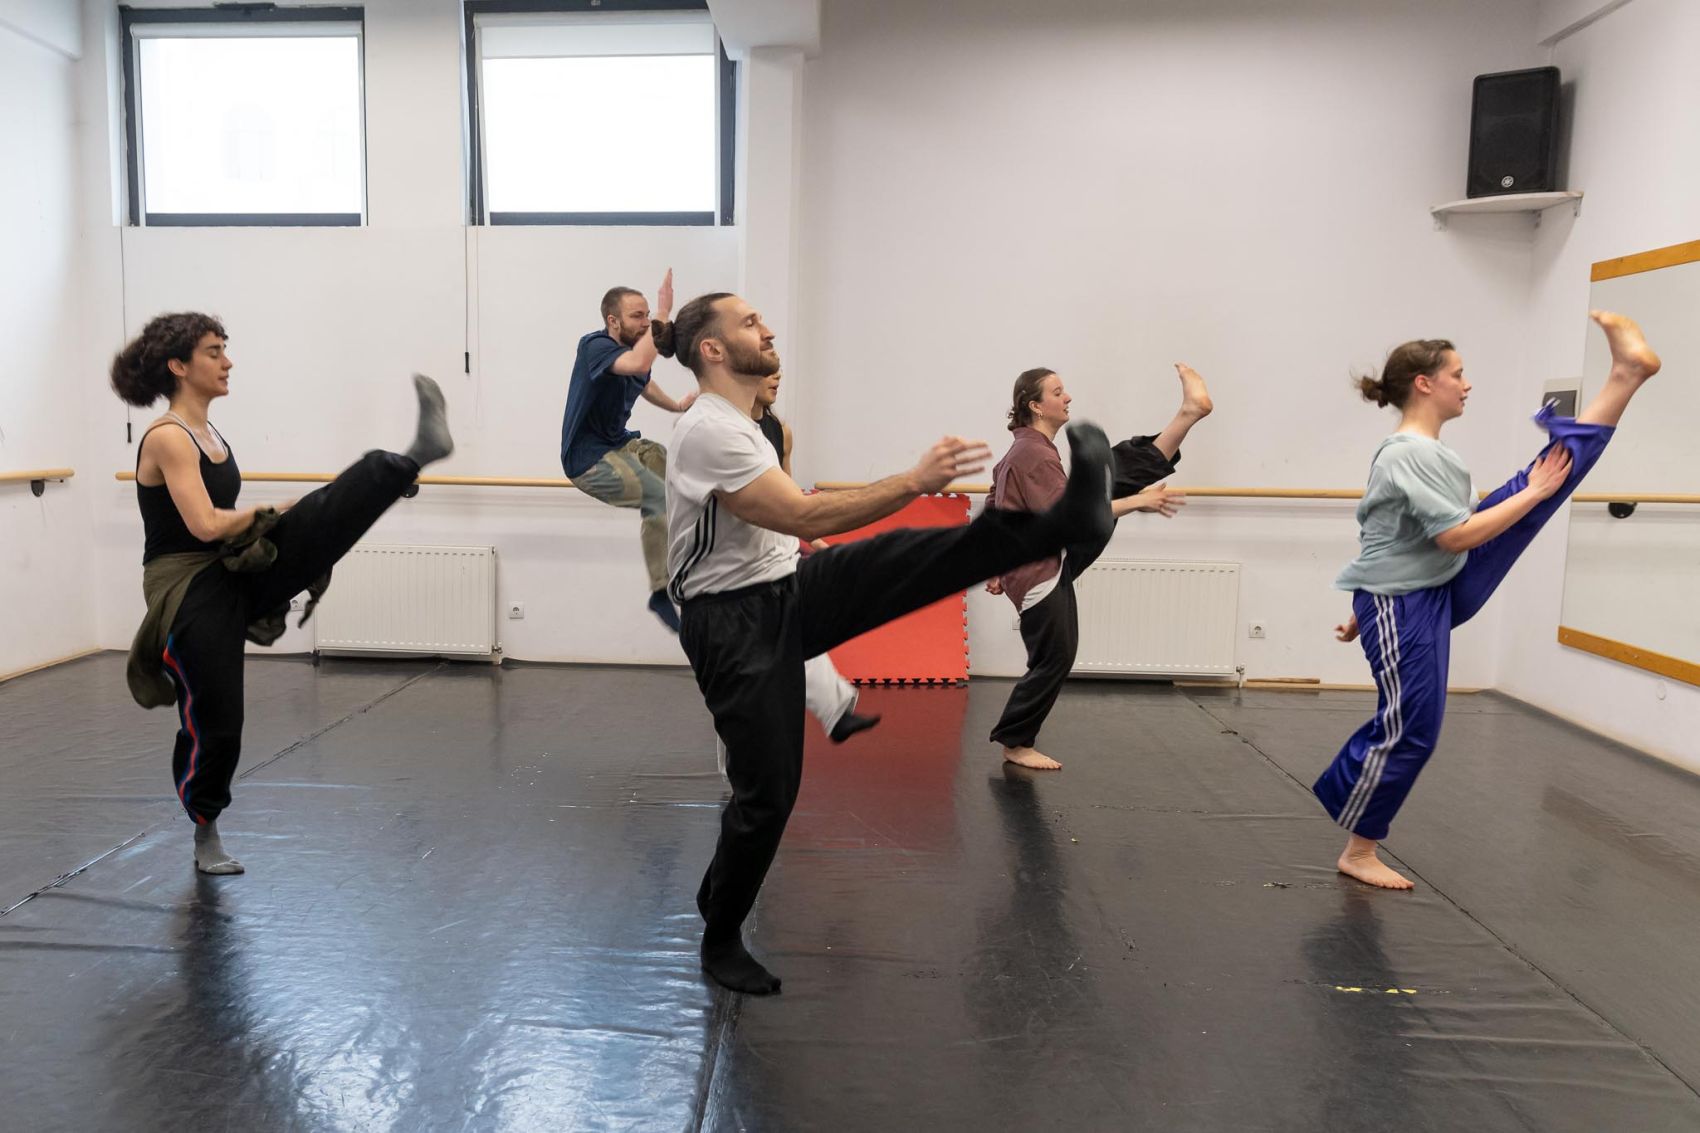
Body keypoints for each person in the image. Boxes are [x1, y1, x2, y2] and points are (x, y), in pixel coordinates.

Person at [659, 291, 1115, 995]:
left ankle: (1059, 524)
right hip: (731, 622)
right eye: (749, 322)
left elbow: (785, 525)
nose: (768, 328)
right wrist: (914, 481)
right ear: (712, 349)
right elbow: (801, 512)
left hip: (783, 587)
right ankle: (720, 934)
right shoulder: (708, 431)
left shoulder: (746, 423)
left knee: (903, 559)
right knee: (769, 793)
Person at [1316, 311, 1660, 889]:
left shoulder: (1430, 452)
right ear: (1425, 383)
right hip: (1408, 602)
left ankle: (1625, 377)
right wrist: (1372, 605)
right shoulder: (1408, 454)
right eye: (1457, 373)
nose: (1467, 383)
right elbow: (1453, 536)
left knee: (1539, 483)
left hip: (1422, 589)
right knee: (1411, 727)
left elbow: (1391, 531)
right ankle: (1358, 851)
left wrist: (1533, 493)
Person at [113, 311, 454, 874]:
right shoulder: (168, 437)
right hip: (185, 587)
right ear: (178, 366)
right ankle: (205, 828)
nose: (227, 362)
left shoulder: (210, 434)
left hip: (227, 566)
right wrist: (276, 511)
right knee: (218, 719)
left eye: (224, 349)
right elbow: (203, 524)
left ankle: (409, 458)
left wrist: (294, 512)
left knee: (322, 515)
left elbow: (231, 525)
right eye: (214, 352)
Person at [984, 365, 1207, 769]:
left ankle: (1188, 414)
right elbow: (1070, 518)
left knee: (1112, 472)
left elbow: (995, 496)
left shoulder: (1026, 450)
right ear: (1036, 406)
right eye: (1057, 392)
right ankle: (1015, 743)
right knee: (1055, 658)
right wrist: (1138, 502)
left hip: (1043, 560)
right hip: (1039, 570)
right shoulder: (1033, 453)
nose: (1067, 397)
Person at [559, 270, 699, 631]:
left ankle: (693, 548)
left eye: (648, 314)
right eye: (637, 316)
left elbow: (645, 382)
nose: (646, 322)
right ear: (613, 320)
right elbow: (638, 364)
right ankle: (660, 590)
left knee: (664, 462)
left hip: (620, 443)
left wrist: (677, 405)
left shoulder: (633, 354)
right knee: (656, 498)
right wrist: (664, 313)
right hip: (587, 460)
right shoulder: (594, 347)